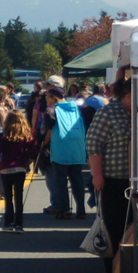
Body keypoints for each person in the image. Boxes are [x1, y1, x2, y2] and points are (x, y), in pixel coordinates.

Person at [87, 78, 134, 273]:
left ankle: (126, 271)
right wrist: (97, 176)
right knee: (113, 227)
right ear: (128, 95)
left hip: (135, 182)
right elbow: (93, 145)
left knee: (131, 227)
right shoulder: (107, 113)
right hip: (112, 180)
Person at [46, 87, 88, 220]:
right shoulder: (76, 107)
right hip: (77, 147)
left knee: (61, 182)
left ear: (54, 98)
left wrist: (43, 144)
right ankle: (81, 210)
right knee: (77, 181)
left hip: (61, 149)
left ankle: (65, 210)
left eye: (48, 97)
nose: (46, 99)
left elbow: (48, 127)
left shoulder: (52, 109)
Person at [0, 109, 39, 233]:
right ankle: (19, 224)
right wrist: (26, 164)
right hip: (20, 168)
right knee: (18, 197)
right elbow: (34, 153)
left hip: (5, 168)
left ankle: (8, 223)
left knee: (8, 197)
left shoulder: (2, 136)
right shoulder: (26, 136)